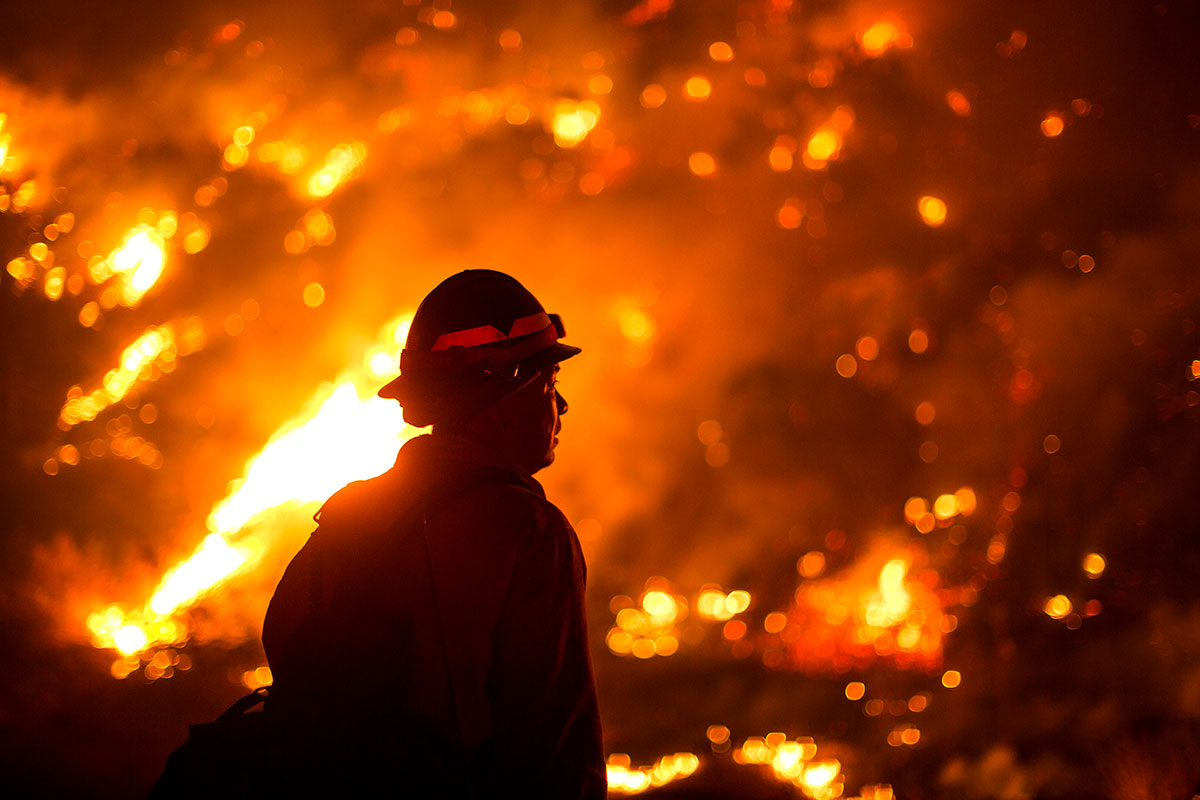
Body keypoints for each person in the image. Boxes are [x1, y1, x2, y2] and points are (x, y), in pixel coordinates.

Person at [259, 270, 606, 798]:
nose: (560, 407)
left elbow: (283, 640)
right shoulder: (531, 530)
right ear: (501, 403)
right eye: (549, 384)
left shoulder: (351, 513)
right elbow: (556, 751)